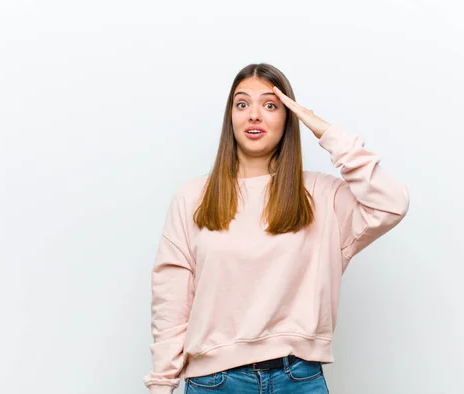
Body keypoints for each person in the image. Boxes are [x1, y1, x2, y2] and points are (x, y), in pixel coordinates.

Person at [143, 63, 410, 393]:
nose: (254, 115)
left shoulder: (322, 196)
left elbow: (391, 203)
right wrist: (161, 384)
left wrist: (322, 129)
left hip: (298, 379)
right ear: (231, 118)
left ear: (289, 117)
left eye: (270, 105)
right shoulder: (193, 196)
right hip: (214, 383)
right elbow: (171, 301)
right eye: (242, 104)